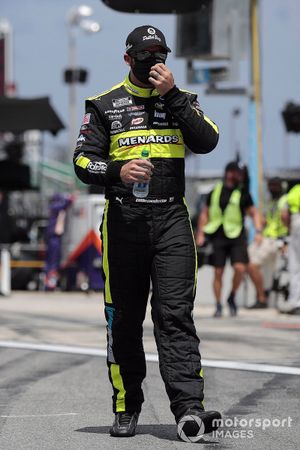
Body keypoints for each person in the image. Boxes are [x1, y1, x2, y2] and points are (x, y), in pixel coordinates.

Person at [73, 25, 221, 441]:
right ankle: (127, 405)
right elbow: (82, 162)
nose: (153, 61)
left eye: (160, 54)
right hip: (124, 222)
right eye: (144, 55)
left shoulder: (182, 100)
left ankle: (189, 409)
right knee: (123, 319)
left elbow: (208, 140)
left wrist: (172, 96)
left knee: (174, 315)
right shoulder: (103, 104)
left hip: (172, 220)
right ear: (128, 59)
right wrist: (118, 171)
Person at [196, 162, 263, 317]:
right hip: (217, 235)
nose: (237, 176)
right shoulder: (215, 191)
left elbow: (254, 213)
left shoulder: (243, 193)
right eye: (234, 172)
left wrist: (258, 231)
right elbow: (204, 213)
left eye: (239, 173)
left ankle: (231, 296)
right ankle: (218, 304)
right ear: (227, 173)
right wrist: (200, 233)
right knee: (218, 271)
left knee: (240, 268)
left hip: (236, 235)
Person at [247, 178, 288, 308]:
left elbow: (286, 219)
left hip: (277, 240)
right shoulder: (270, 202)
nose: (272, 188)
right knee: (246, 261)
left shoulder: (285, 200)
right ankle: (263, 294)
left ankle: (262, 298)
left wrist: (286, 241)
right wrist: (258, 230)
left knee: (252, 265)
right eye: (271, 185)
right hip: (267, 238)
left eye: (275, 185)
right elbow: (264, 220)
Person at [281, 182, 300, 315]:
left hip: (297, 223)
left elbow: (284, 215)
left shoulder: (294, 190)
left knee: (295, 266)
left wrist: (289, 229)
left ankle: (296, 302)